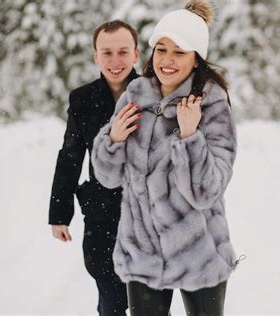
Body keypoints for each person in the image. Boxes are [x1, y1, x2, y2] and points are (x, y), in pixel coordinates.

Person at [91, 1, 240, 314]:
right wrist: (113, 140)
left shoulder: (211, 106)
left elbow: (206, 192)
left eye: (179, 52)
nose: (167, 60)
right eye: (161, 49)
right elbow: (107, 177)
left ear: (196, 59)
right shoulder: (135, 96)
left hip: (199, 253)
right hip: (142, 252)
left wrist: (190, 137)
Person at [48, 20, 139, 316]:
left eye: (123, 52)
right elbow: (70, 156)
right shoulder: (82, 99)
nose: (115, 61)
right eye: (107, 52)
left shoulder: (154, 96)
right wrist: (59, 214)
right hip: (102, 216)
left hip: (149, 216)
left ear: (136, 55)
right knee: (111, 301)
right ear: (95, 56)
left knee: (150, 305)